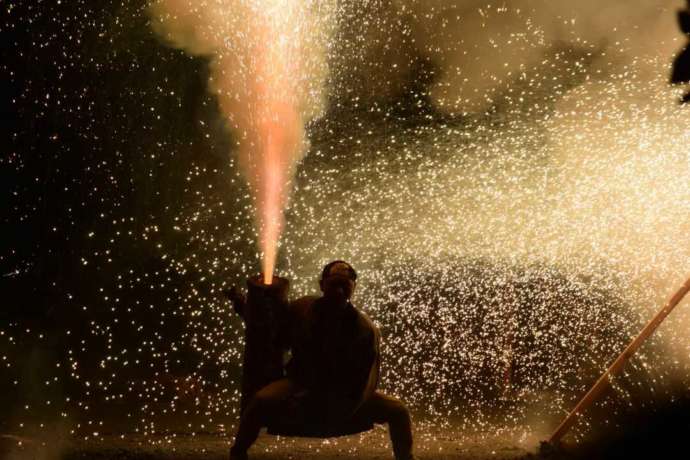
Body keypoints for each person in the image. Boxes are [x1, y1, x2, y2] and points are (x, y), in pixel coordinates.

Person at [228, 261, 415, 460]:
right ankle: (238, 452)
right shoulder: (301, 308)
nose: (340, 290)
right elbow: (272, 332)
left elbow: (361, 380)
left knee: (398, 410)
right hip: (299, 382)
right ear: (322, 285)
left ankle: (406, 458)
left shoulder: (363, 330)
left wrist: (337, 407)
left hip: (343, 395)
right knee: (259, 401)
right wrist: (246, 309)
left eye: (345, 284)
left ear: (354, 287)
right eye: (334, 284)